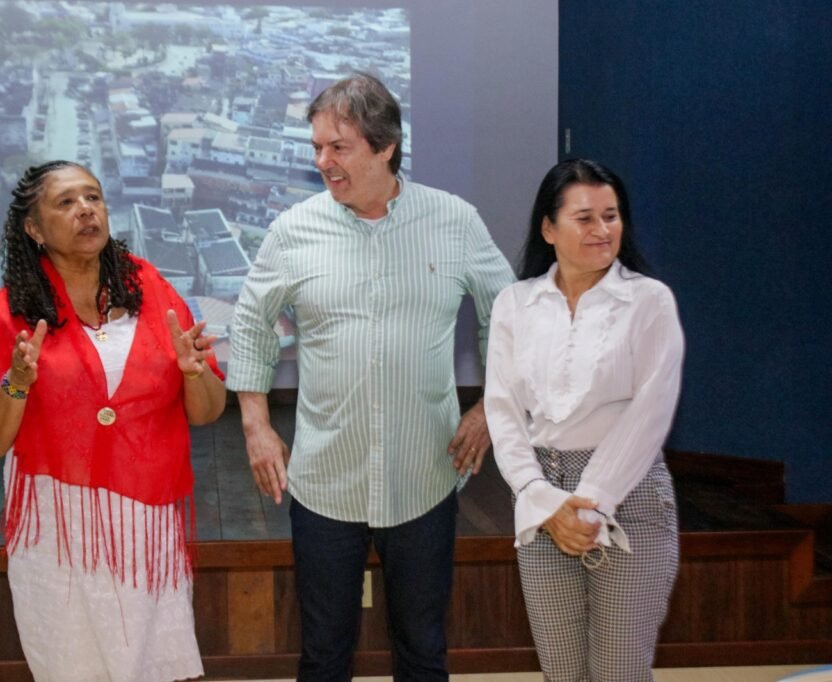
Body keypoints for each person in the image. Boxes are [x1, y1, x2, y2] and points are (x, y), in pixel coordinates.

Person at [226, 73, 515, 681]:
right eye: (316, 147)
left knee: (422, 650)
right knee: (324, 655)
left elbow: (510, 316)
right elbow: (251, 323)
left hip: (424, 477)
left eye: (339, 147)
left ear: (385, 146)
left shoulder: (454, 221)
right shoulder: (293, 230)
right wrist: (255, 424)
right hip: (325, 482)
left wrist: (492, 406)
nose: (322, 162)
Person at [0, 160, 226, 682]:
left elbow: (207, 411)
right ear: (34, 229)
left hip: (146, 521)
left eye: (93, 197)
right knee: (73, 664)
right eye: (66, 202)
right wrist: (17, 381)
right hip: (59, 526)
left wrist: (194, 373)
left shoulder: (153, 291)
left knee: (157, 665)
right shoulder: (5, 315)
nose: (86, 210)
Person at [484, 158, 684, 682]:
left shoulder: (649, 300)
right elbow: (503, 410)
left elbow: (651, 410)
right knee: (562, 672)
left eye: (611, 216)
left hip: (629, 494)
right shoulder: (515, 304)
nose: (602, 229)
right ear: (549, 229)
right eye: (585, 218)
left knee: (619, 671)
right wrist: (542, 498)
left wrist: (592, 502)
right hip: (541, 498)